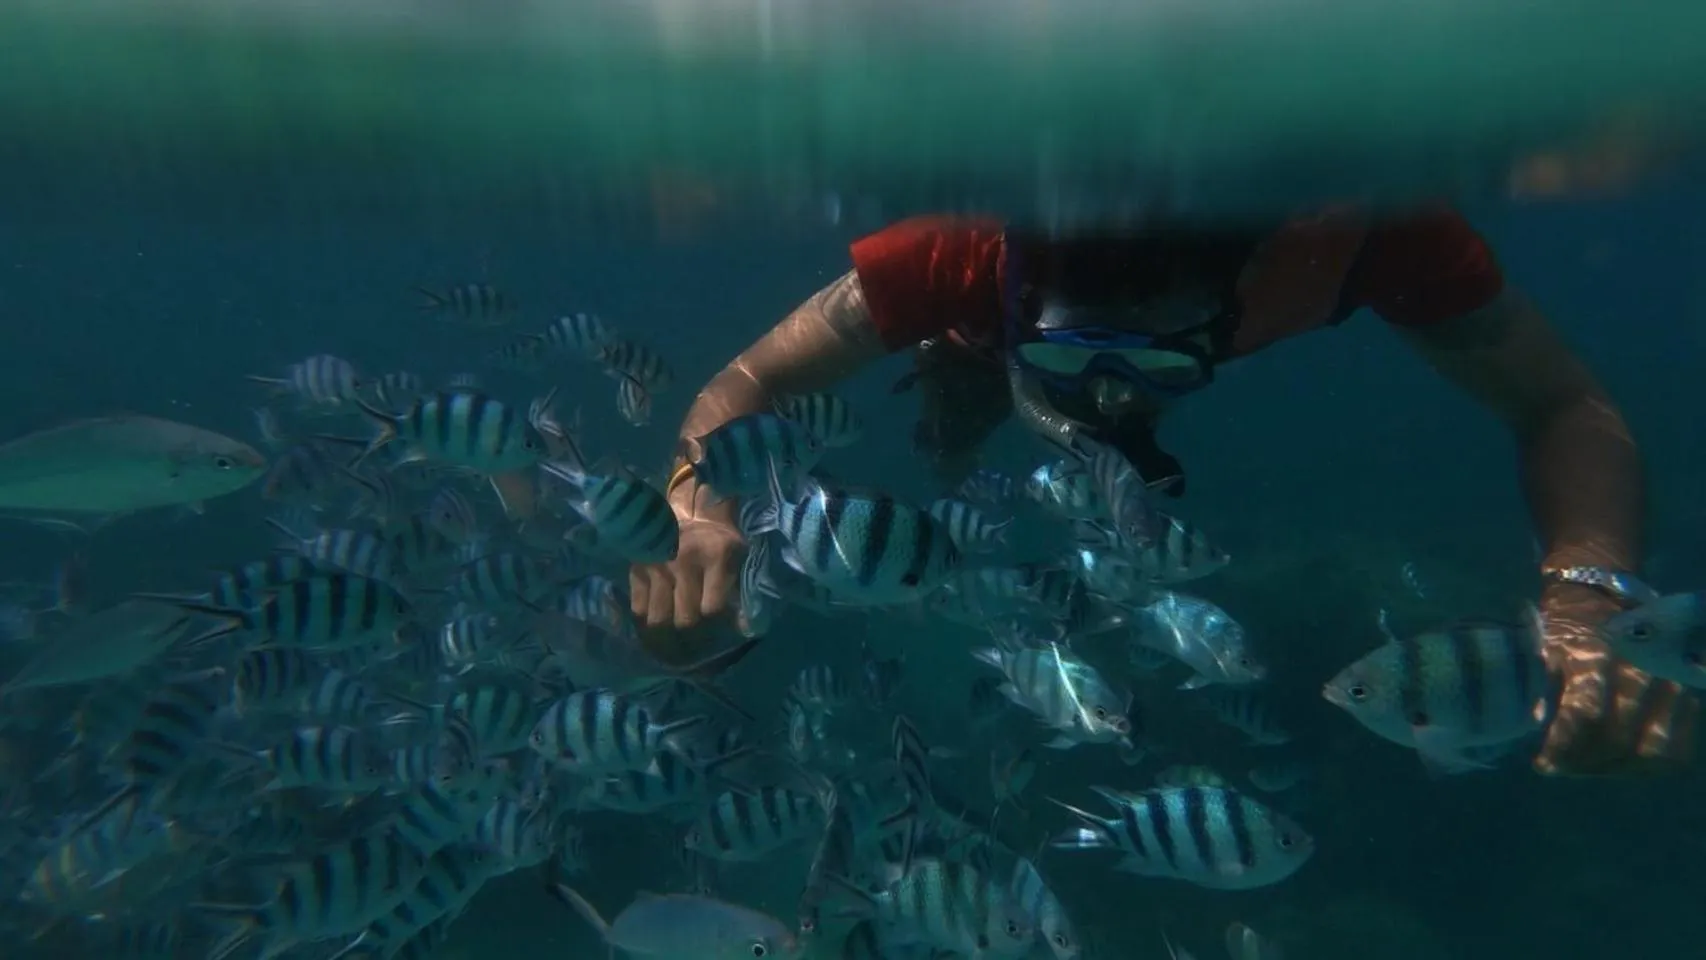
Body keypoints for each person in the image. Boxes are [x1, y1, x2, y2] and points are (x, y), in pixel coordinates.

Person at [631, 208, 1693, 777]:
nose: (1107, 401)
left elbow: (1563, 406)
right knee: (956, 415)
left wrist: (1587, 598)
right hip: (978, 332)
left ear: (1242, 293)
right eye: (1073, 363)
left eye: (1157, 371)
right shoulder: (961, 254)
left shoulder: (1363, 232)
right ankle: (985, 368)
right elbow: (748, 382)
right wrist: (697, 515)